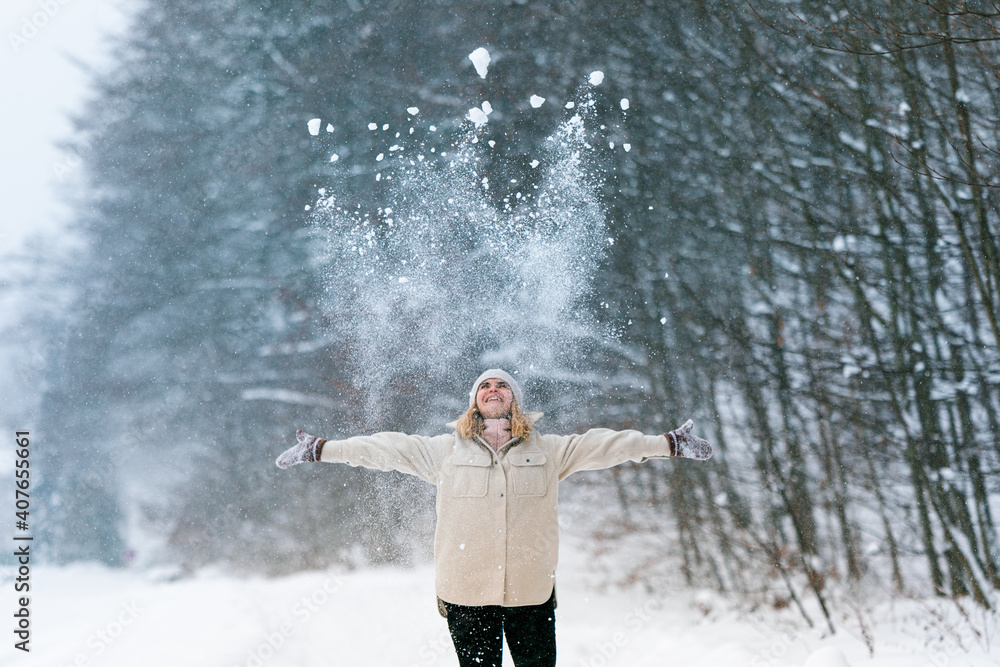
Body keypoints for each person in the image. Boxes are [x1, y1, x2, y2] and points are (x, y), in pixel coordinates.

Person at [276, 369, 713, 667]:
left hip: (530, 591)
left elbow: (606, 445)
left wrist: (667, 443)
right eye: (484, 386)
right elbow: (383, 448)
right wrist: (323, 449)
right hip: (466, 591)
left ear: (514, 400)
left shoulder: (549, 451)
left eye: (501, 385)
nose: (492, 389)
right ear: (474, 402)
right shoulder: (443, 452)